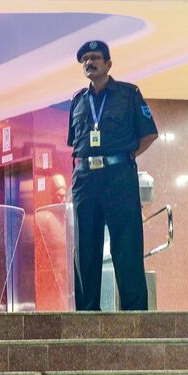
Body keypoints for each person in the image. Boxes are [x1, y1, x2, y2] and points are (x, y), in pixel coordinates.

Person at [67, 40, 158, 311]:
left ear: (108, 64)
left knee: (126, 246)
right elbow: (75, 143)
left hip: (119, 177)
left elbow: (149, 134)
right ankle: (86, 315)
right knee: (85, 248)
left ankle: (135, 315)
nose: (89, 62)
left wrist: (125, 158)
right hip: (85, 180)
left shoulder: (129, 94)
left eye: (95, 57)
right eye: (85, 59)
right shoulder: (78, 101)